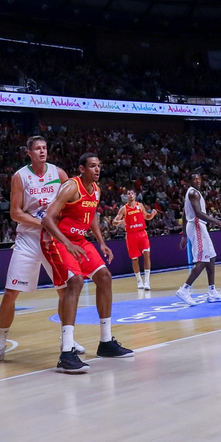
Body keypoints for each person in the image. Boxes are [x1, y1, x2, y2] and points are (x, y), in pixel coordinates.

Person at [0, 137, 83, 366]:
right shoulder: (20, 176)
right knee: (10, 292)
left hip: (53, 240)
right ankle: (0, 345)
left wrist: (63, 227)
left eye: (45, 148)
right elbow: (16, 213)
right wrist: (44, 223)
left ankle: (68, 341)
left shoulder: (59, 173)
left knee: (64, 290)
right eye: (37, 148)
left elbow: (73, 203)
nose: (42, 151)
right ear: (29, 153)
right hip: (28, 239)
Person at [40, 152, 133, 372]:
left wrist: (101, 242)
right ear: (82, 169)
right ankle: (66, 353)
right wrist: (67, 244)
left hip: (79, 240)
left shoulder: (97, 190)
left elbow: (90, 216)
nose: (97, 169)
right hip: (58, 240)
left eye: (98, 166)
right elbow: (47, 218)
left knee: (105, 277)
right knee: (76, 282)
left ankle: (106, 341)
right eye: (92, 166)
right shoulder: (71, 187)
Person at [176, 173, 221, 305]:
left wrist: (184, 235)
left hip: (197, 226)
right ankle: (185, 289)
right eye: (194, 179)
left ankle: (212, 291)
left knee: (211, 257)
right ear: (190, 181)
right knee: (203, 259)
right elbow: (198, 213)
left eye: (199, 179)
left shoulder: (193, 193)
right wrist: (218, 222)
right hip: (197, 225)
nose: (198, 181)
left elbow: (184, 213)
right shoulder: (193, 193)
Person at [118, 190, 158, 292]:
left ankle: (147, 281)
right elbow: (114, 221)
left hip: (142, 233)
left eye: (132, 193)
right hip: (131, 235)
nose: (130, 195)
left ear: (135, 195)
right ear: (126, 196)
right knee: (135, 259)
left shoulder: (140, 206)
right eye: (128, 193)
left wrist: (152, 215)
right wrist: (119, 221)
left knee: (147, 254)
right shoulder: (124, 209)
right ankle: (139, 280)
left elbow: (147, 217)